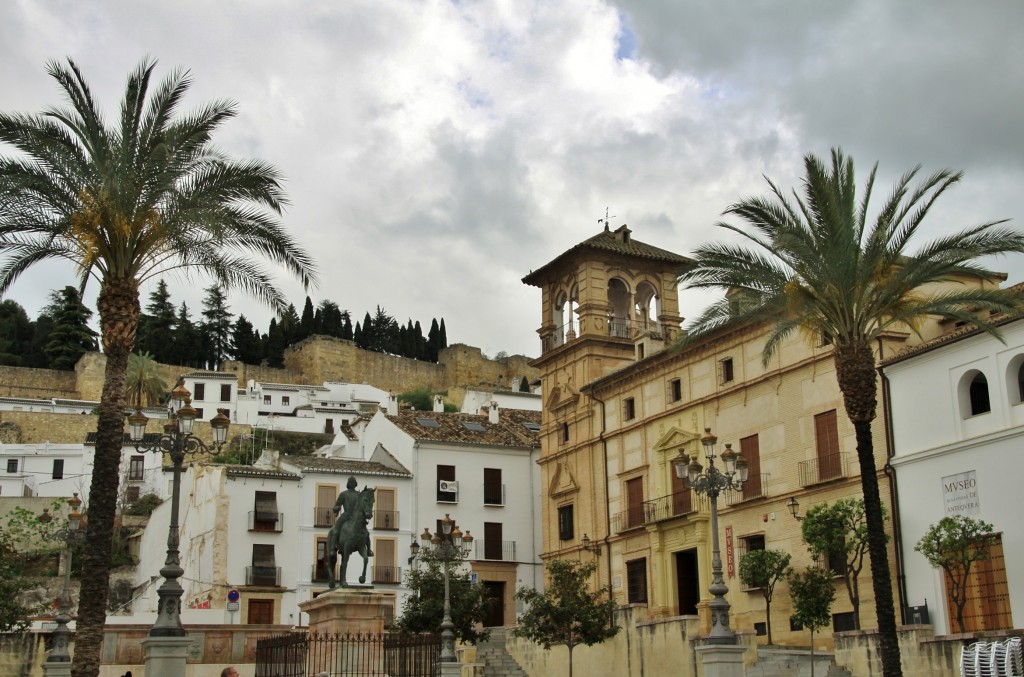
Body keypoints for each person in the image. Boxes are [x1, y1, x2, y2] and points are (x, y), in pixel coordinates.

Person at [332, 476, 372, 555]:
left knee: (366, 533)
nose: (352, 484)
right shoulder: (343, 494)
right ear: (348, 484)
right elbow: (336, 506)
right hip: (346, 515)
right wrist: (337, 508)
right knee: (336, 530)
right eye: (350, 482)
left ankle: (369, 550)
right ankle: (333, 547)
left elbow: (362, 506)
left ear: (355, 484)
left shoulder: (359, 494)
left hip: (356, 517)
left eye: (353, 482)